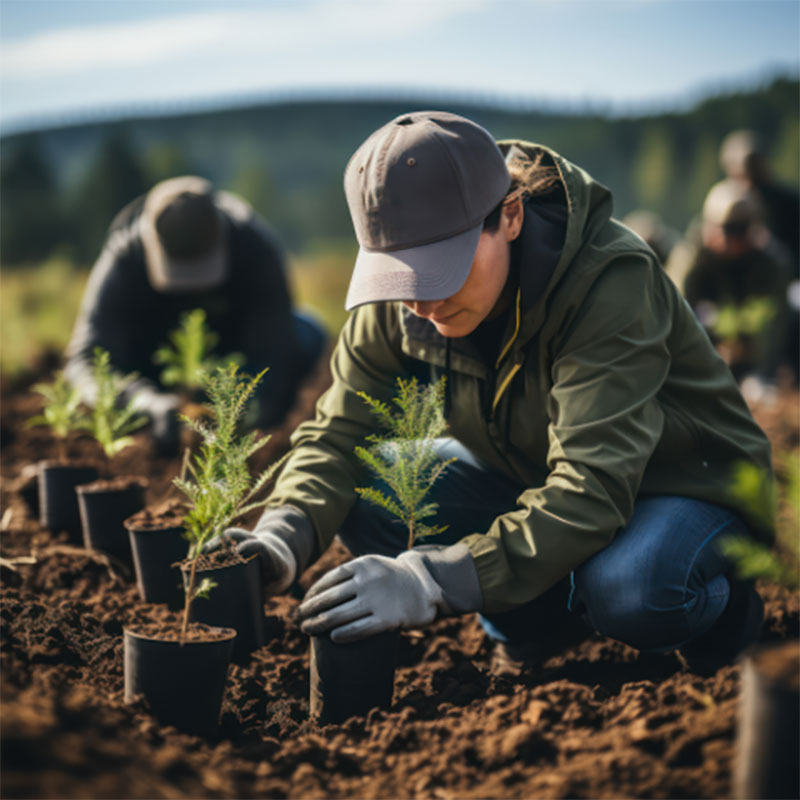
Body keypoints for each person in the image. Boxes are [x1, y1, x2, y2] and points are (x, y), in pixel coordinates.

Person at [219, 112, 775, 672]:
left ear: (509, 216)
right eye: (399, 274)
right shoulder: (404, 302)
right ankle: (539, 626)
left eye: (440, 269)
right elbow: (338, 434)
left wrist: (432, 579)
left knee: (631, 590)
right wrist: (282, 537)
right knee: (373, 482)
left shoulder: (607, 284)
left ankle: (724, 615)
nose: (421, 302)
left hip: (682, 482)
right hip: (534, 471)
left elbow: (592, 485)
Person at [65, 176, 327, 455]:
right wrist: (145, 403)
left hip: (236, 367)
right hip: (154, 375)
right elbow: (84, 362)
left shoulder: (254, 246)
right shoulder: (124, 256)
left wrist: (247, 414)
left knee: (310, 332)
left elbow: (276, 350)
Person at [665, 179, 792, 386]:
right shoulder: (689, 260)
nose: (732, 239)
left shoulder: (772, 264)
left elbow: (777, 323)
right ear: (708, 226)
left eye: (741, 229)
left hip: (754, 352)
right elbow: (674, 315)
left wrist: (762, 369)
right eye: (727, 228)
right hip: (705, 350)